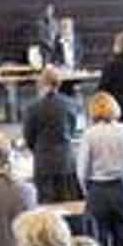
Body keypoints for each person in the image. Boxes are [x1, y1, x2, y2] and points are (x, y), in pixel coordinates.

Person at [77, 91, 123, 246]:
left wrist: (87, 190)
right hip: (119, 188)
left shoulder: (90, 134)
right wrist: (122, 182)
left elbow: (82, 169)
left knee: (98, 242)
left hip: (98, 189)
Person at [22, 68, 82, 204]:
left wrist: (36, 149)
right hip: (66, 158)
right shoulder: (71, 104)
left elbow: (28, 136)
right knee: (67, 202)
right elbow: (73, 130)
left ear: (41, 84)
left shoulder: (32, 107)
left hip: (43, 159)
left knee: (46, 203)